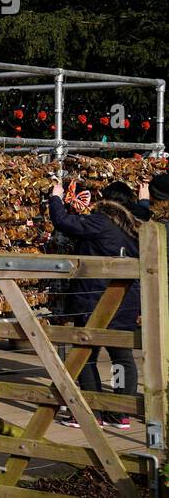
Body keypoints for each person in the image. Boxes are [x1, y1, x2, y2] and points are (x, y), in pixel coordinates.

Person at [46, 179, 142, 429]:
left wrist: (55, 197)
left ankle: (92, 410)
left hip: (94, 300)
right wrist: (143, 199)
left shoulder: (101, 221)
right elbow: (145, 210)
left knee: (85, 356)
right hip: (127, 301)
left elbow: (64, 223)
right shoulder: (137, 224)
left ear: (105, 200)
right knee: (122, 357)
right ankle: (120, 412)